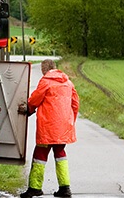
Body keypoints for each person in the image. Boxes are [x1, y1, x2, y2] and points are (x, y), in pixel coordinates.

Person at [19, 59, 80, 198]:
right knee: (60, 153)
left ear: (44, 69)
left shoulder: (46, 82)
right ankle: (65, 188)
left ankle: (35, 187)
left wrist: (28, 109)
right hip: (63, 126)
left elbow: (35, 99)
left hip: (48, 127)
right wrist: (70, 121)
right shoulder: (68, 83)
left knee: (40, 154)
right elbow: (75, 104)